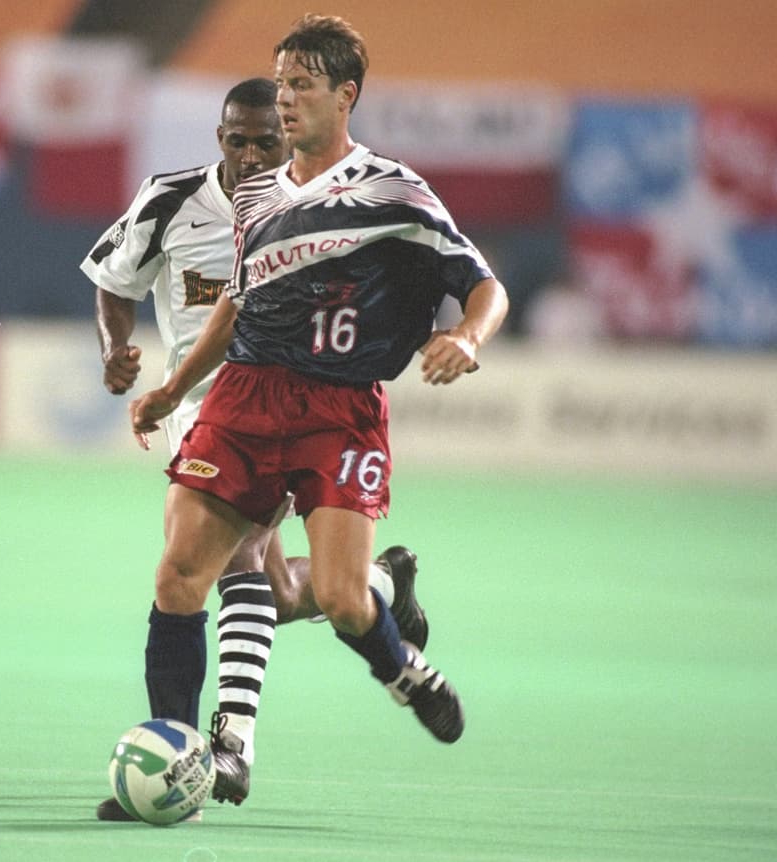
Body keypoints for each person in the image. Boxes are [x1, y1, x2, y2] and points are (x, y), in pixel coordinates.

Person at [128, 12, 509, 772]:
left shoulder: (395, 191)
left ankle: (403, 671)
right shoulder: (258, 196)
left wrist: (467, 338)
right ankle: (178, 754)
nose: (285, 99)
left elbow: (484, 286)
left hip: (338, 410)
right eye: (280, 84)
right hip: (244, 396)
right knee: (180, 573)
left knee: (338, 597)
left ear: (346, 95)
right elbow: (238, 304)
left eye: (300, 85)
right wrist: (174, 389)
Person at [81, 78, 429, 819]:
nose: (247, 154)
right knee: (269, 588)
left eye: (264, 142)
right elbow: (115, 278)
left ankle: (215, 755)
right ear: (218, 137)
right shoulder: (170, 199)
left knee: (217, 568)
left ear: (291, 139)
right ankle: (377, 588)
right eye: (235, 139)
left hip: (283, 408)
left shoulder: (313, 213)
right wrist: (116, 348)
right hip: (199, 411)